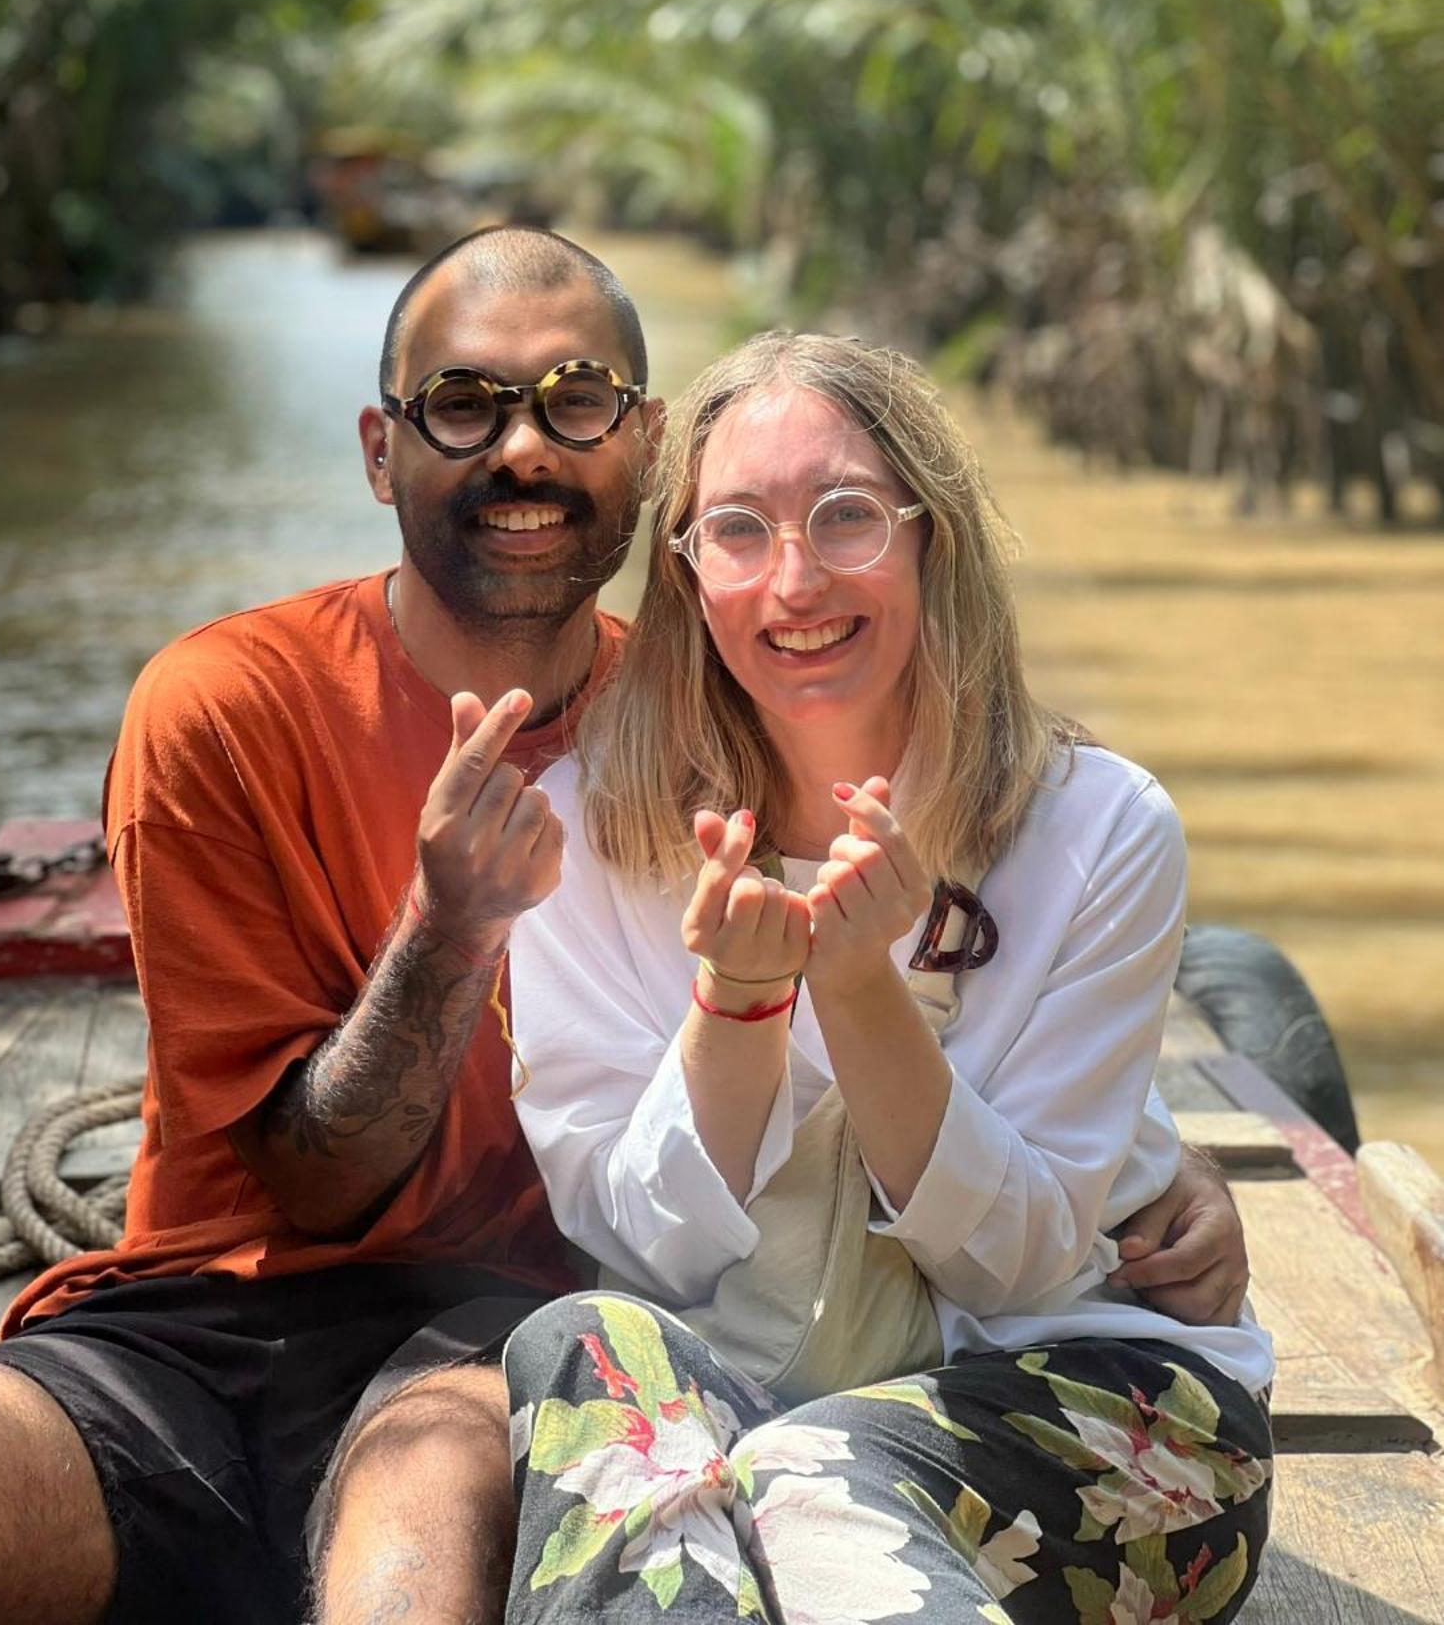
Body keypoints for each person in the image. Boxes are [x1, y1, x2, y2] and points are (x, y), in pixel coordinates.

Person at [0, 232, 1248, 1625]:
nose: (522, 451)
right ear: (383, 451)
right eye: (464, 404)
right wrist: (451, 933)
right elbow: (312, 1187)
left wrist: (1144, 1175)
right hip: (208, 1310)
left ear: (644, 450)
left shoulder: (721, 729)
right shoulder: (242, 709)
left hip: (504, 1328)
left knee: (447, 1483)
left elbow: (1007, 1017)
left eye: (576, 403)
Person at [503, 331, 1275, 1623]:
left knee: (802, 1475)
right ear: (689, 577)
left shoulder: (1099, 829)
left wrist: (860, 988)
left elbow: (1020, 1267)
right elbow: (645, 1246)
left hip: (1085, 1406)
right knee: (573, 1348)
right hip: (737, 1396)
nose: (793, 580)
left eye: (847, 516)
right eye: (738, 531)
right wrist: (740, 1007)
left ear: (934, 539)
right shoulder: (583, 830)